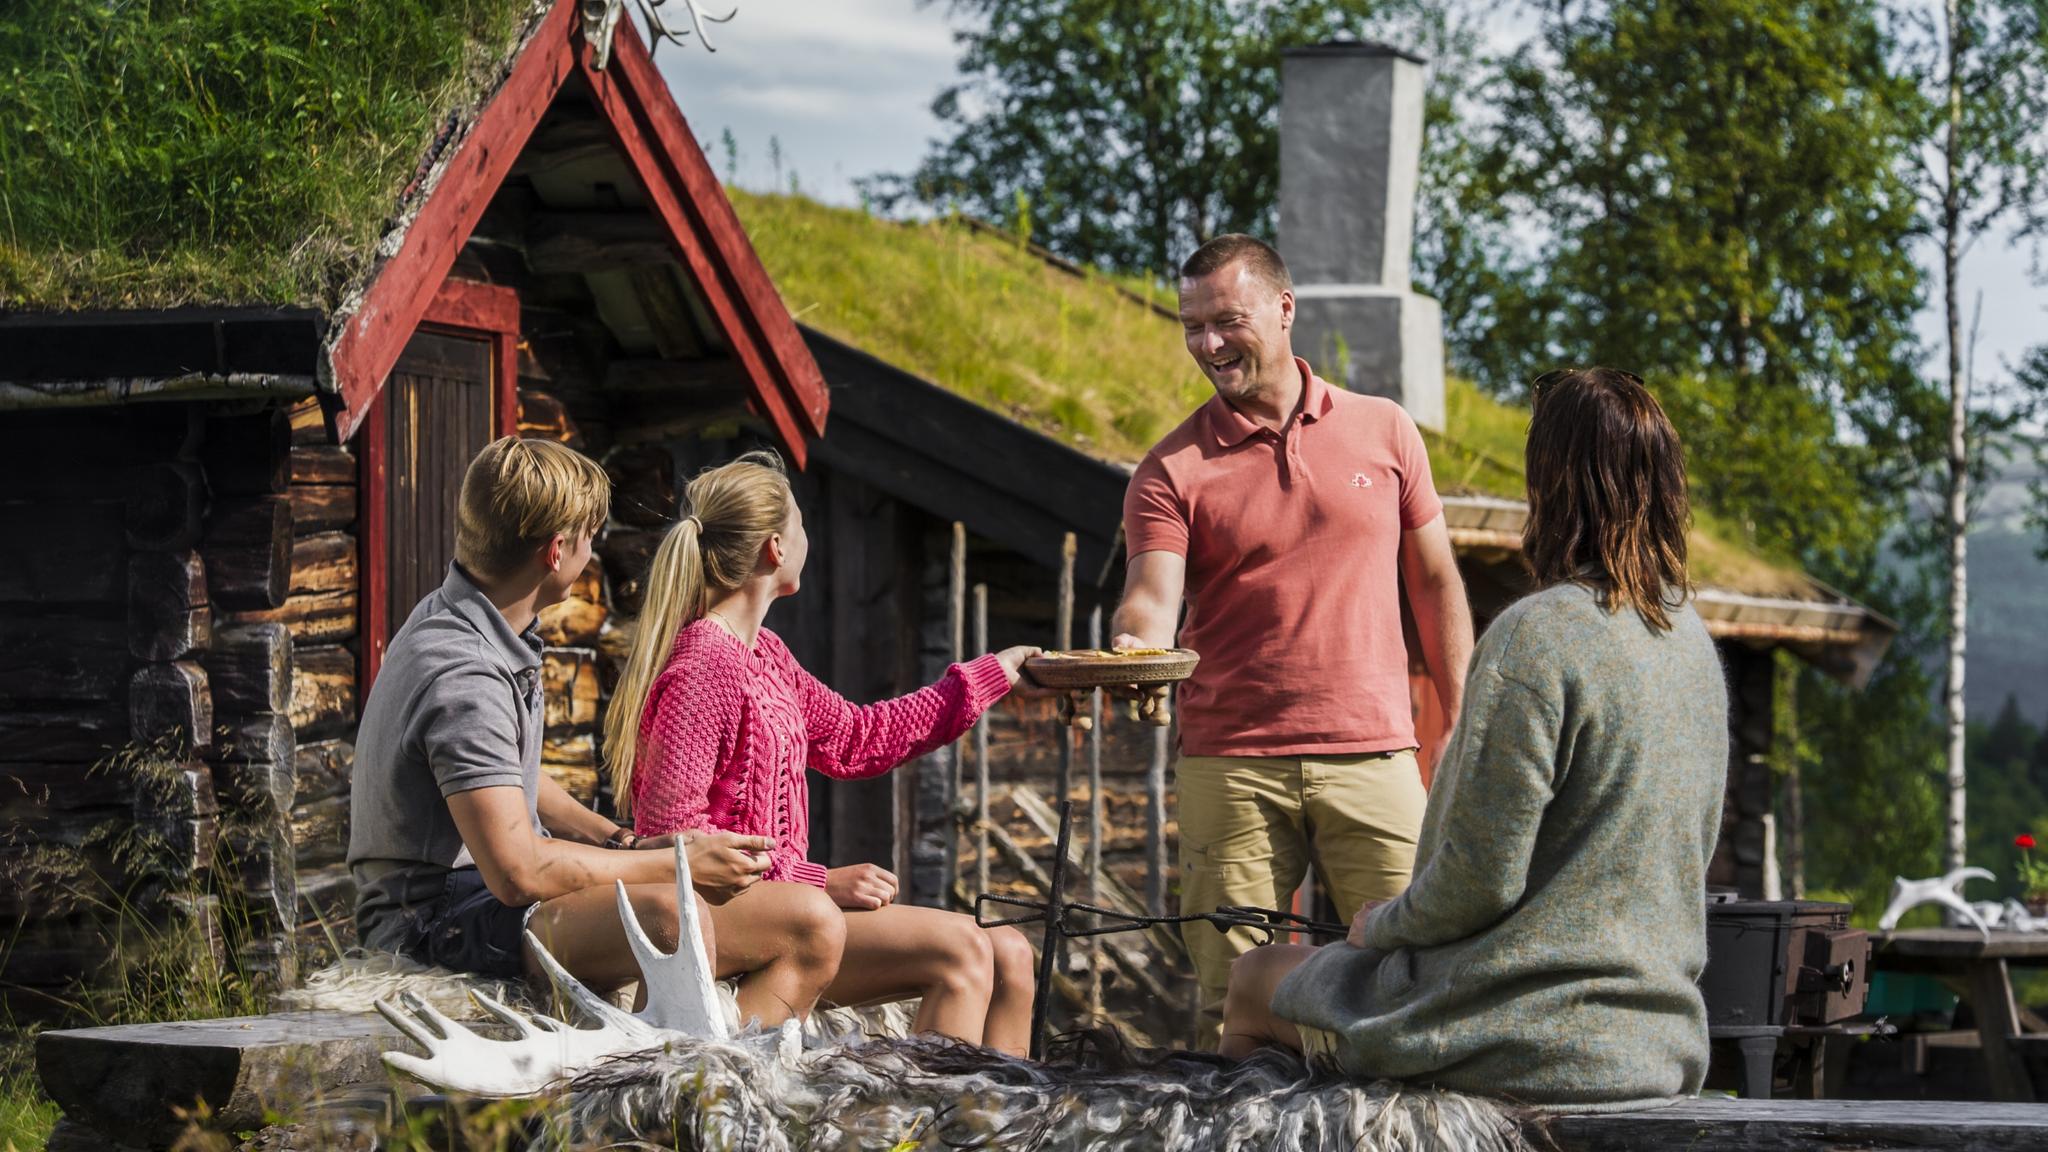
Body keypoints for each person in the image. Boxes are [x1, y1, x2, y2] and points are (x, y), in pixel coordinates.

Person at [1220, 368, 1729, 1111]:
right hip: (1658, 1040)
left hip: (1509, 1030)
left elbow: (1479, 880)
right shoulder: (1691, 643)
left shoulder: (1540, 634)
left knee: (1254, 980)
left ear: (1552, 484)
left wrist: (1379, 924)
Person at [1111, 234, 1474, 1047]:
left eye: (1226, 321)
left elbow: (1436, 582)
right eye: (1191, 325)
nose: (1208, 344)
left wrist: (1464, 717)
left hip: (1375, 755)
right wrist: (1136, 644)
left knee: (1419, 976)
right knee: (1233, 1005)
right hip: (1230, 766)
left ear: (1284, 309)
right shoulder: (1171, 469)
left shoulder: (1386, 431)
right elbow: (1150, 597)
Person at [348, 436, 843, 1028]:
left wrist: (621, 840)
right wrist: (677, 862)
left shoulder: (459, 617)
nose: (593, 550)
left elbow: (509, 781)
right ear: (558, 551)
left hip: (471, 901)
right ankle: (688, 1092)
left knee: (750, 913)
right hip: (434, 922)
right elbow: (519, 873)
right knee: (671, 913)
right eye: (590, 537)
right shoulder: (466, 675)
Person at [607, 450, 1041, 1055]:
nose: (809, 538)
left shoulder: (765, 655)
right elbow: (674, 838)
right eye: (802, 525)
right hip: (727, 921)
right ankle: (925, 1133)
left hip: (783, 907)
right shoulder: (704, 663)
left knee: (1012, 952)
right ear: (775, 549)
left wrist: (991, 674)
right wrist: (817, 881)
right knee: (961, 950)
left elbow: (856, 738)